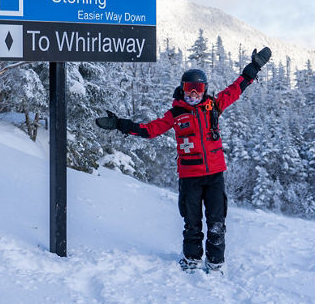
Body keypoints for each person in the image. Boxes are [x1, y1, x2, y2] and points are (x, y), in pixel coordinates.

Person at [95, 47, 272, 273]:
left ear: (205, 89)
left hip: (215, 175)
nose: (194, 94)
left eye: (198, 88)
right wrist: (119, 124)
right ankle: (191, 260)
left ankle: (215, 263)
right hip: (190, 178)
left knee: (217, 223)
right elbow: (149, 130)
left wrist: (254, 66)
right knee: (192, 223)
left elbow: (236, 88)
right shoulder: (176, 114)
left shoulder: (214, 107)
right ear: (182, 88)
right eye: (189, 88)